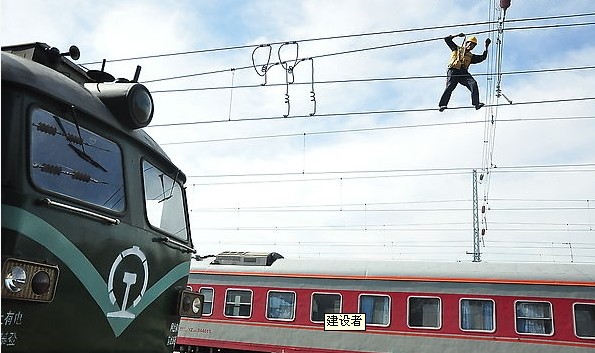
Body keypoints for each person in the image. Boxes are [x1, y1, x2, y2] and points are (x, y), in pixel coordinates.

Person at [438, 33, 491, 112]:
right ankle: (443, 104)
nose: (471, 46)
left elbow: (482, 58)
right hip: (453, 70)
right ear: (466, 43)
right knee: (450, 87)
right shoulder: (456, 48)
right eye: (471, 44)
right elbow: (447, 39)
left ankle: (476, 103)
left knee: (473, 84)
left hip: (463, 73)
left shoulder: (471, 56)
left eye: (473, 45)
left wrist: (486, 47)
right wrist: (457, 35)